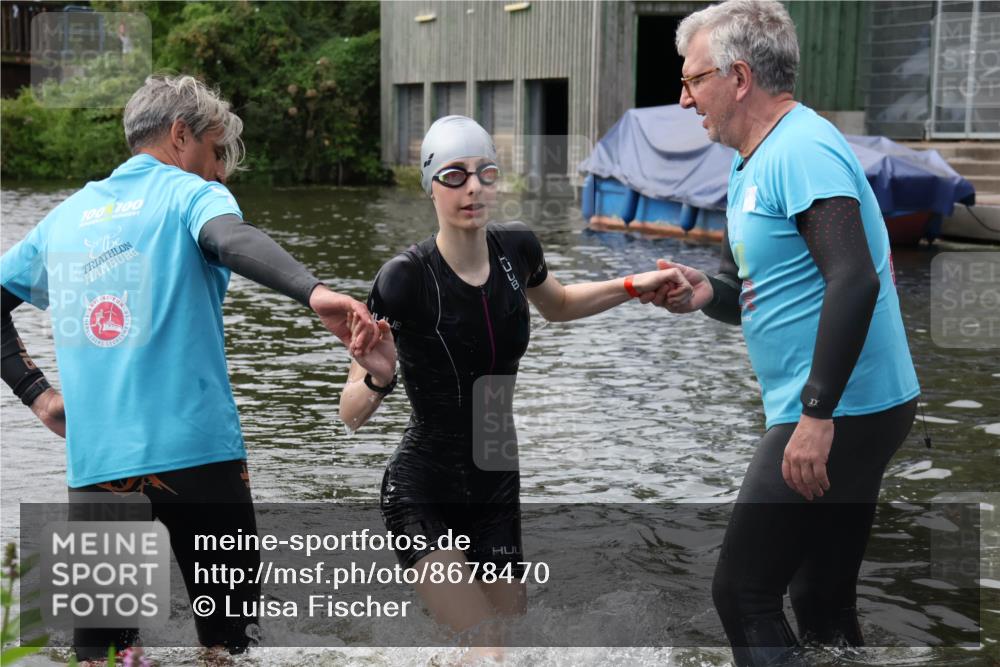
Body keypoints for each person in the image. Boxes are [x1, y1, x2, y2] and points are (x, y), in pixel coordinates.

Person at [1, 74, 379, 662]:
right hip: (200, 461)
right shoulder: (187, 193)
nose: (221, 170)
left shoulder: (64, 219)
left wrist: (37, 394)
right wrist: (314, 292)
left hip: (99, 468)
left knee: (103, 659)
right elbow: (231, 238)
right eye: (216, 150)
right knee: (230, 651)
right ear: (181, 136)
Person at [338, 115, 688, 661]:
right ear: (429, 184)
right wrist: (381, 373)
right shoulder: (403, 278)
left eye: (486, 172)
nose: (473, 187)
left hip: (497, 475)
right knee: (488, 642)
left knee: (510, 647)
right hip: (422, 486)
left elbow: (562, 304)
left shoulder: (517, 249)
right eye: (454, 175)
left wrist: (632, 284)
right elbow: (350, 413)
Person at [643, 2, 921, 665]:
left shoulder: (800, 148)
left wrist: (816, 414)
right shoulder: (751, 159)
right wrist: (703, 291)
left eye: (692, 80)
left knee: (742, 593)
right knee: (820, 598)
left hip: (840, 406)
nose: (683, 98)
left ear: (738, 77)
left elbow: (854, 279)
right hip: (856, 403)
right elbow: (758, 292)